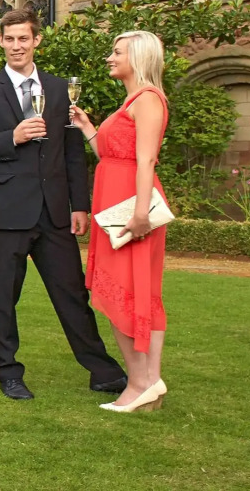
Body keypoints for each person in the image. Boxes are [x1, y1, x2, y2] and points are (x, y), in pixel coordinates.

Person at [0, 8, 126, 401]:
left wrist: (79, 205)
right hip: (9, 212)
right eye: (9, 39)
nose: (16, 46)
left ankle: (102, 372)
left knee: (72, 294)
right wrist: (11, 137)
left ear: (37, 41)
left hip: (54, 212)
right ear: (1, 41)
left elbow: (72, 153)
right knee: (5, 297)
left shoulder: (60, 89)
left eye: (23, 38)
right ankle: (9, 373)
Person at [70, 30, 172, 413]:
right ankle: (150, 380)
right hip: (116, 204)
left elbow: (146, 161)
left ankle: (139, 383)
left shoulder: (148, 99)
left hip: (131, 209)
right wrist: (87, 127)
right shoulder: (131, 100)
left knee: (123, 294)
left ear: (139, 57)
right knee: (135, 292)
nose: (110, 58)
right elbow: (111, 155)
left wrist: (141, 213)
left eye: (117, 52)